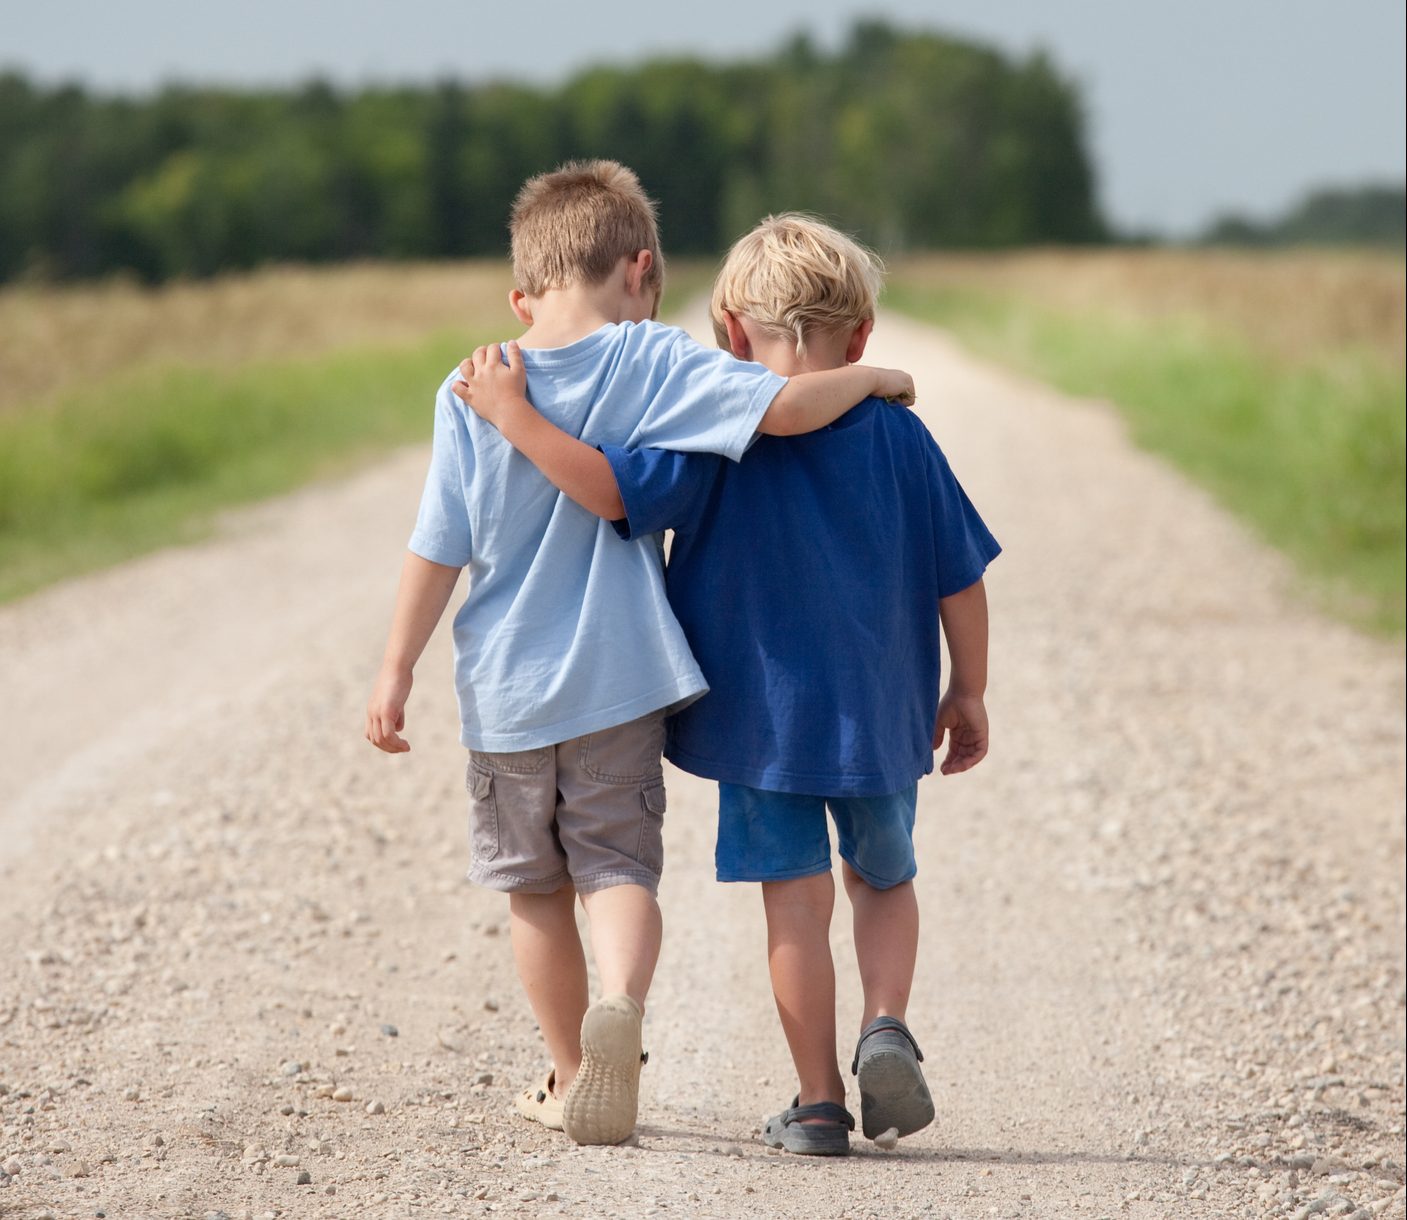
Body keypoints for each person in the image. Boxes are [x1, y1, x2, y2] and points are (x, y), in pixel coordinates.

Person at [364, 167, 916, 1148]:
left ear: (521, 294)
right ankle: (622, 994)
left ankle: (574, 1071)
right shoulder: (653, 360)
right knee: (618, 866)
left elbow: (437, 544)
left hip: (505, 692)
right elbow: (786, 409)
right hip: (622, 680)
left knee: (534, 889)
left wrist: (396, 666)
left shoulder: (471, 384)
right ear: (643, 270)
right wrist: (873, 377)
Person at [453, 213, 999, 1156]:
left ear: (732, 338)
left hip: (762, 729)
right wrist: (969, 689)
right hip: (880, 715)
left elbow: (608, 493)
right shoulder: (901, 441)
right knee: (881, 878)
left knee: (793, 902)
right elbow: (961, 576)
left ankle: (819, 1100)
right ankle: (885, 1022)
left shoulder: (710, 436)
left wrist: (517, 418)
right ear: (861, 340)